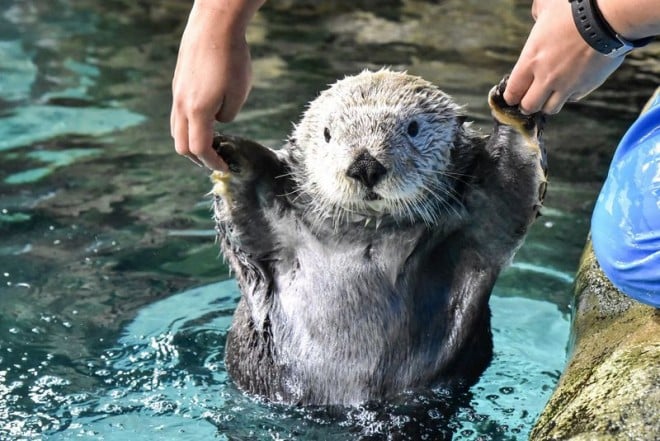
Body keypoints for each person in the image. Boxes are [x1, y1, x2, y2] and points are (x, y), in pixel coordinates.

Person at [170, 0, 659, 305]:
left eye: (411, 133)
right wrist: (217, 19)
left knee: (636, 253)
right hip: (282, 379)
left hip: (419, 390)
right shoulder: (291, 201)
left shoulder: (467, 209)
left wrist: (597, 19)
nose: (366, 163)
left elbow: (503, 213)